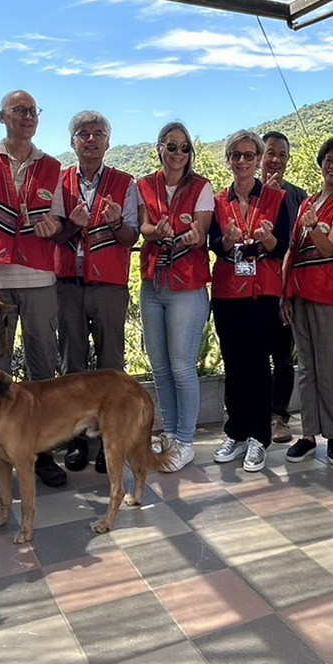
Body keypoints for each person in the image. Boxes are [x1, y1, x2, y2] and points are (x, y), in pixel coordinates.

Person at [0, 90, 67, 494]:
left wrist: (54, 227)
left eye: (32, 111)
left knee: (45, 373)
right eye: (19, 110)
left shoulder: (52, 165)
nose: (27, 117)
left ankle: (44, 455)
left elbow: (57, 218)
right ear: (1, 116)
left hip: (41, 278)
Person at [52, 111, 140, 472]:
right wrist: (72, 225)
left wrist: (117, 220)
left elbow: (132, 237)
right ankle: (76, 443)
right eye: (83, 134)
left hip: (108, 286)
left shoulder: (125, 182)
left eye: (98, 134)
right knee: (72, 368)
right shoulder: (59, 181)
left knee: (110, 367)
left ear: (108, 142)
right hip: (67, 285)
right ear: (73, 142)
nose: (91, 140)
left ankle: (110, 444)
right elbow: (52, 236)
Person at [208, 131, 291, 473]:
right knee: (234, 364)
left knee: (258, 365)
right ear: (228, 160)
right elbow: (213, 243)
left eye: (248, 155)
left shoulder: (277, 197)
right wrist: (226, 241)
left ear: (258, 159)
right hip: (228, 291)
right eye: (235, 155)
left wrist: (269, 238)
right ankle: (236, 431)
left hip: (263, 291)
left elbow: (284, 245)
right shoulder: (216, 201)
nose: (242, 161)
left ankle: (259, 436)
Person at [137, 122, 214, 472]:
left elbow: (200, 232)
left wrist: (189, 236)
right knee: (161, 367)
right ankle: (168, 434)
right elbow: (143, 226)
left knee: (183, 366)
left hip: (187, 285)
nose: (179, 154)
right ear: (159, 149)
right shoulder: (143, 185)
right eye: (172, 147)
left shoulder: (201, 187)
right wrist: (156, 232)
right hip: (153, 283)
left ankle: (185, 440)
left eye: (185, 148)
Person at [283, 136, 333, 466]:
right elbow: (292, 250)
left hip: (332, 294)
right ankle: (308, 434)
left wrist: (313, 227)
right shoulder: (307, 202)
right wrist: (285, 293)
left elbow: (329, 247)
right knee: (306, 368)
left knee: (327, 368)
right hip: (301, 293)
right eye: (329, 159)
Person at [260, 131, 308, 444]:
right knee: (252, 355)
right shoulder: (244, 192)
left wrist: (289, 292)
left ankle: (278, 416)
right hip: (248, 290)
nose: (276, 160)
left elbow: (299, 248)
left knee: (282, 357)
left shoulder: (298, 197)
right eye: (270, 153)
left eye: (282, 155)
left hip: (282, 288)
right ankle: (253, 413)